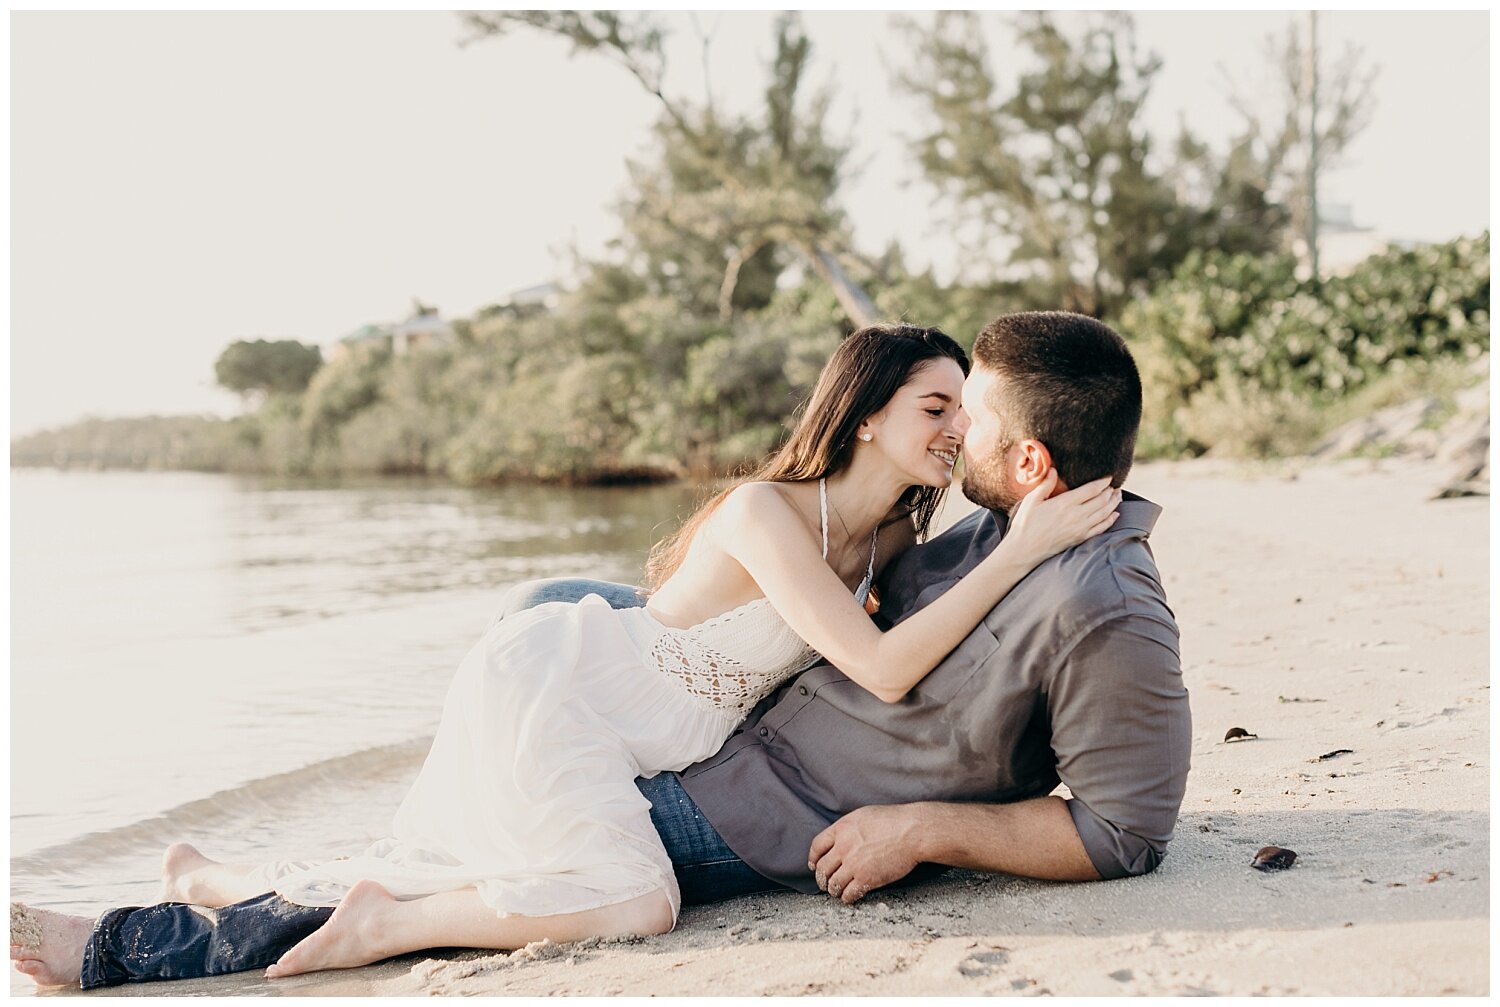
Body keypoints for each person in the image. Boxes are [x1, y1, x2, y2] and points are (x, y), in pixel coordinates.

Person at [12, 318, 1133, 990]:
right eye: (936, 405)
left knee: (479, 860)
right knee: (630, 897)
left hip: (629, 729)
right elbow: (886, 667)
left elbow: (904, 645)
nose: (953, 429)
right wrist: (1023, 540)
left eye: (962, 413)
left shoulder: (889, 535)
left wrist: (1031, 537)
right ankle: (375, 927)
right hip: (563, 690)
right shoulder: (764, 512)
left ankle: (208, 880)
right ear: (868, 415)